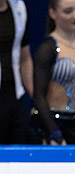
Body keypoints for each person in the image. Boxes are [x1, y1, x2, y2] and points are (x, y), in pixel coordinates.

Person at [31, 0, 75, 144]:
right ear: (52, 13)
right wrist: (54, 133)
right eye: (68, 11)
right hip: (48, 122)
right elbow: (38, 95)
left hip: (74, 123)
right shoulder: (47, 48)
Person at [0, 0, 33, 144]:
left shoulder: (18, 6)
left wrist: (36, 99)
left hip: (14, 94)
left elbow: (24, 58)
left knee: (17, 152)